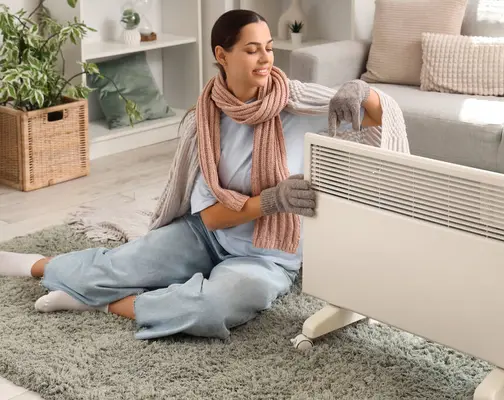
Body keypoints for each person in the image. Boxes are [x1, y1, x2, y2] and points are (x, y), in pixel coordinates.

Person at [0, 9, 385, 340]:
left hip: (266, 256)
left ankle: (110, 303)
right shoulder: (204, 119)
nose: (265, 58)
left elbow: (383, 119)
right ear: (222, 55)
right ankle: (33, 263)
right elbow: (210, 216)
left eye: (268, 48)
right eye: (251, 50)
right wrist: (271, 201)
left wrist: (360, 90)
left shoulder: (299, 104)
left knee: (214, 307)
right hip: (205, 234)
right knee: (122, 262)